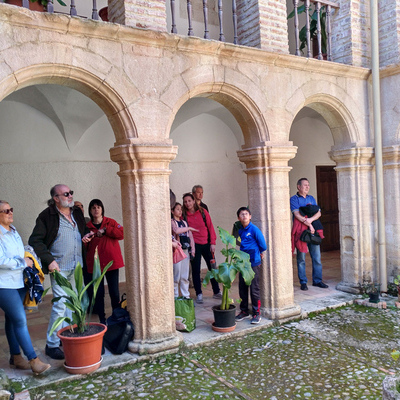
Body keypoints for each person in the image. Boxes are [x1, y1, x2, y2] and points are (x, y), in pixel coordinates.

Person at [29, 184, 92, 360]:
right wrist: (49, 261)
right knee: (60, 306)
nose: (70, 195)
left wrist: (85, 236)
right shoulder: (46, 216)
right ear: (56, 198)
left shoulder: (76, 213)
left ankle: (66, 337)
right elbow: (35, 241)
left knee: (73, 305)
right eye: (66, 194)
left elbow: (83, 230)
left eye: (71, 192)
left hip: (77, 266)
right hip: (59, 268)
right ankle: (52, 345)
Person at [0, 201, 51, 374]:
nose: (10, 213)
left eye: (11, 209)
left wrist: (29, 258)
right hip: (4, 285)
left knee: (11, 319)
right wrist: (22, 262)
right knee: (20, 319)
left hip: (19, 282)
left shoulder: (13, 232)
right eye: (6, 211)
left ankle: (16, 357)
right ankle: (33, 360)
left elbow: (19, 252)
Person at [83, 199, 124, 324]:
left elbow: (122, 233)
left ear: (102, 209)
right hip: (96, 265)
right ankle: (102, 319)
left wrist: (106, 230)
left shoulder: (110, 222)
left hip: (111, 263)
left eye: (98, 207)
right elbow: (84, 247)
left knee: (114, 291)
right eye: (93, 207)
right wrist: (87, 240)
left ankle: (116, 317)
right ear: (90, 211)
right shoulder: (87, 227)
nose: (96, 209)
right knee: (98, 293)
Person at [290, 178, 329, 291]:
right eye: (305, 185)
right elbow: (297, 214)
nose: (307, 187)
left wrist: (310, 221)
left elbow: (318, 213)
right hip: (301, 232)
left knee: (316, 257)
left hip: (313, 232)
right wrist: (309, 223)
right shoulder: (294, 199)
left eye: (308, 185)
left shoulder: (311, 198)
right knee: (301, 258)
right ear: (298, 186)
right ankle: (303, 282)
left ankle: (317, 280)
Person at [182, 192, 221, 303]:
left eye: (189, 201)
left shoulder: (203, 212)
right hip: (194, 246)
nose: (187, 203)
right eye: (185, 202)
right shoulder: (184, 215)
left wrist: (212, 243)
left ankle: (216, 291)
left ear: (194, 201)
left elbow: (210, 226)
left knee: (212, 268)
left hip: (207, 243)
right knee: (195, 270)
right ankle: (199, 293)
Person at [234, 207, 267, 325]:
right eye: (242, 214)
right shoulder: (241, 230)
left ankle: (256, 313)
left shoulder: (254, 229)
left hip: (253, 262)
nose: (244, 216)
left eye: (246, 214)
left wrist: (259, 253)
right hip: (243, 263)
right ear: (239, 218)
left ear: (250, 216)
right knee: (242, 287)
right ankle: (244, 311)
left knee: (254, 288)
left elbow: (263, 245)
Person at [171, 202, 196, 299]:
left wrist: (192, 249)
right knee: (176, 274)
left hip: (185, 250)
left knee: (185, 274)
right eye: (177, 209)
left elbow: (190, 236)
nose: (180, 211)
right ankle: (175, 296)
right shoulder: (172, 222)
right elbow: (176, 231)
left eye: (181, 209)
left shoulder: (184, 222)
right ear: (172, 211)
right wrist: (188, 228)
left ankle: (186, 296)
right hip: (177, 251)